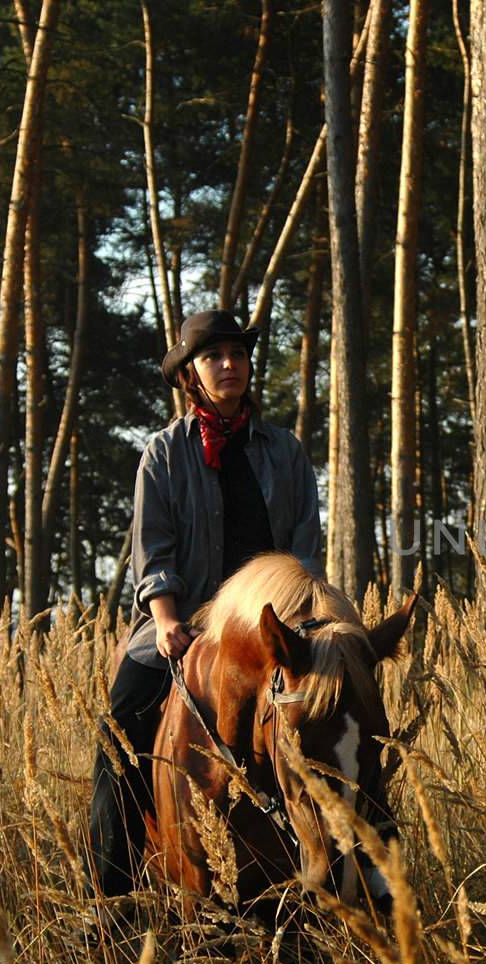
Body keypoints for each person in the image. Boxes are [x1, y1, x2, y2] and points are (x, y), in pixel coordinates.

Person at [88, 308, 322, 897]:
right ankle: (109, 899)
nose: (228, 365)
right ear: (192, 374)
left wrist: (304, 624)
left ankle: (359, 881)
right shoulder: (163, 456)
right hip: (185, 628)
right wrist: (165, 619)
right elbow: (155, 550)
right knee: (119, 732)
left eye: (237, 355)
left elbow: (304, 549)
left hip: (272, 632)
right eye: (214, 357)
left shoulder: (286, 453)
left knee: (345, 722)